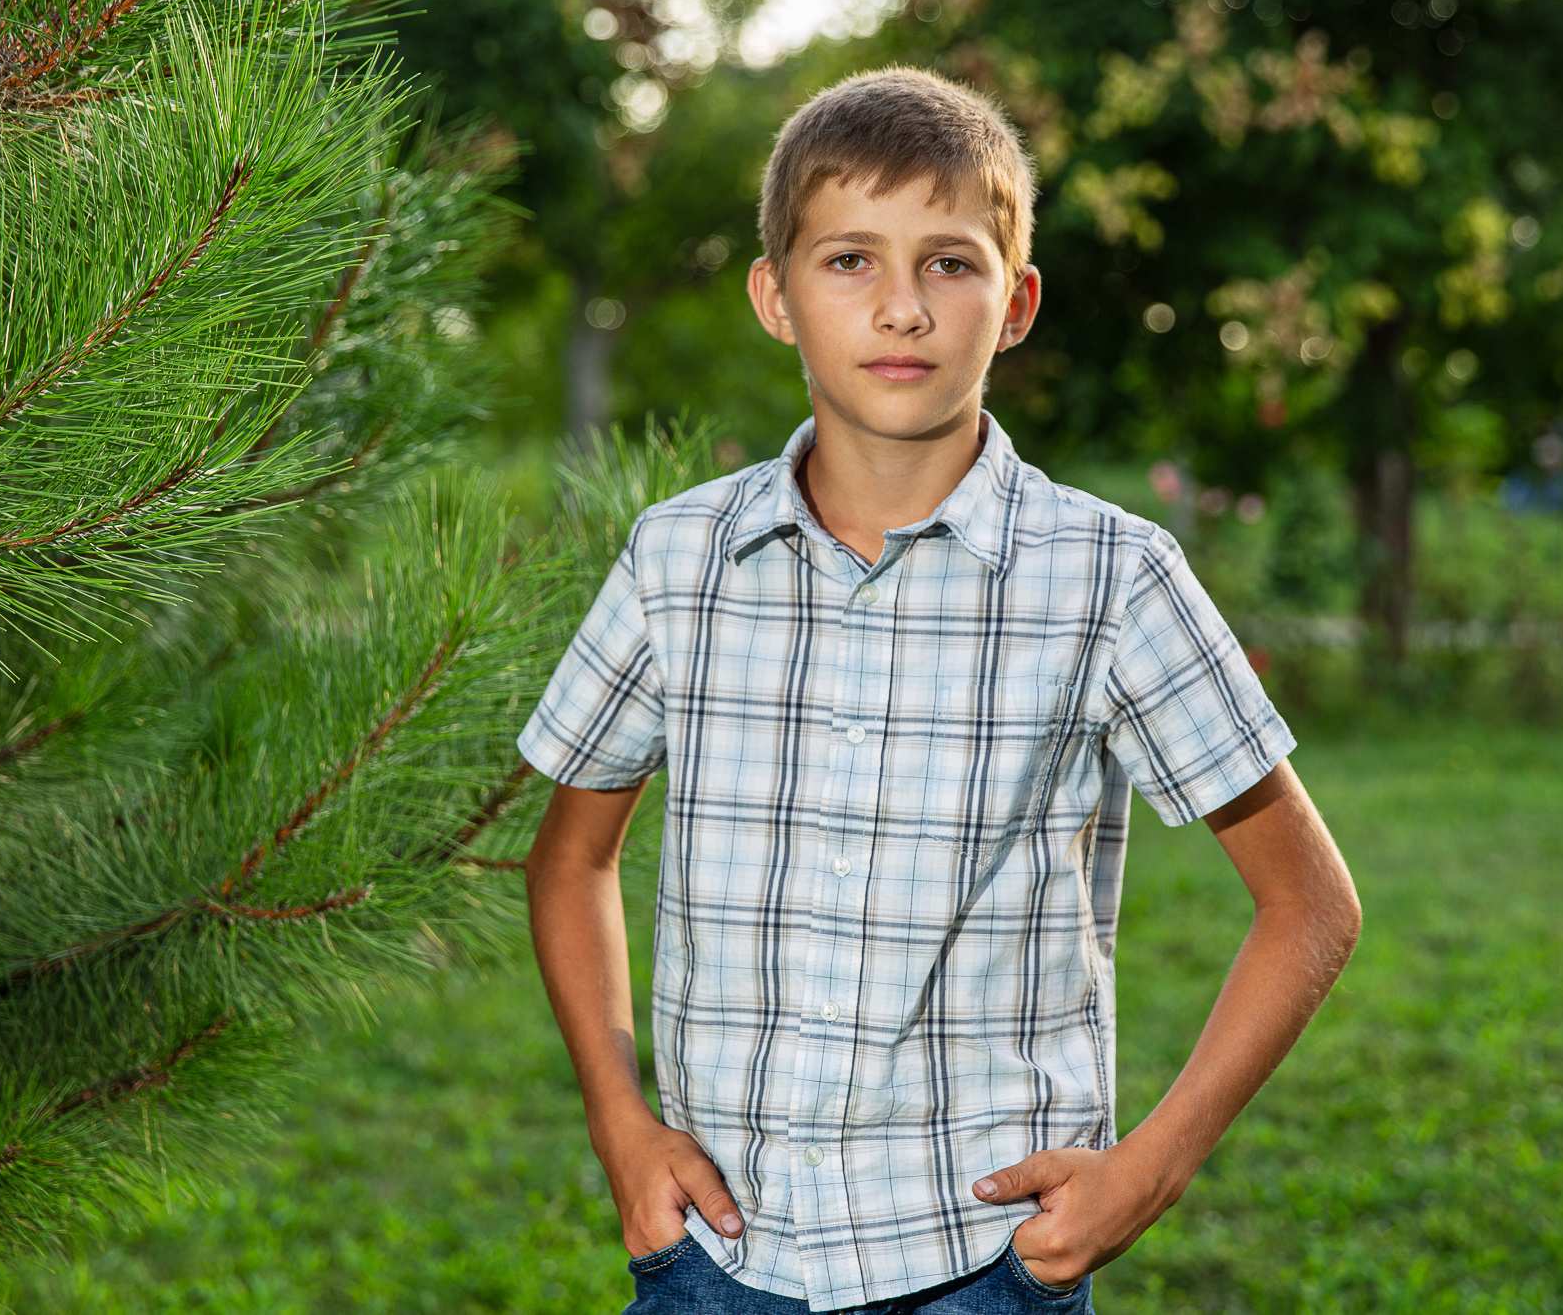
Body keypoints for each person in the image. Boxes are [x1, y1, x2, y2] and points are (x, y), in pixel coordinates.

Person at [518, 67, 1362, 1315]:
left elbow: (1310, 907)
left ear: (1013, 302)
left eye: (948, 264)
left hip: (976, 1265)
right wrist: (617, 1122)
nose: (900, 307)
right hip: (717, 1259)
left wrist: (1150, 1169)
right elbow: (571, 857)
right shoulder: (676, 560)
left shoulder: (1109, 579)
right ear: (775, 297)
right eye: (848, 260)